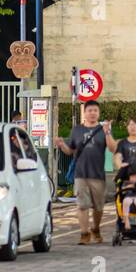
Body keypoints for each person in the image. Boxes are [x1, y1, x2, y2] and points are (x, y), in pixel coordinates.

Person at [54, 100, 112, 244]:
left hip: (98, 174)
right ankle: (84, 233)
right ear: (85, 113)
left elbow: (112, 148)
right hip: (81, 174)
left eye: (95, 111)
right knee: (82, 205)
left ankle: (96, 228)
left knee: (98, 207)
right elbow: (71, 151)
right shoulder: (77, 130)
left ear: (98, 113)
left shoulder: (102, 130)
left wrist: (108, 133)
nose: (92, 113)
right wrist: (62, 145)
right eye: (89, 110)